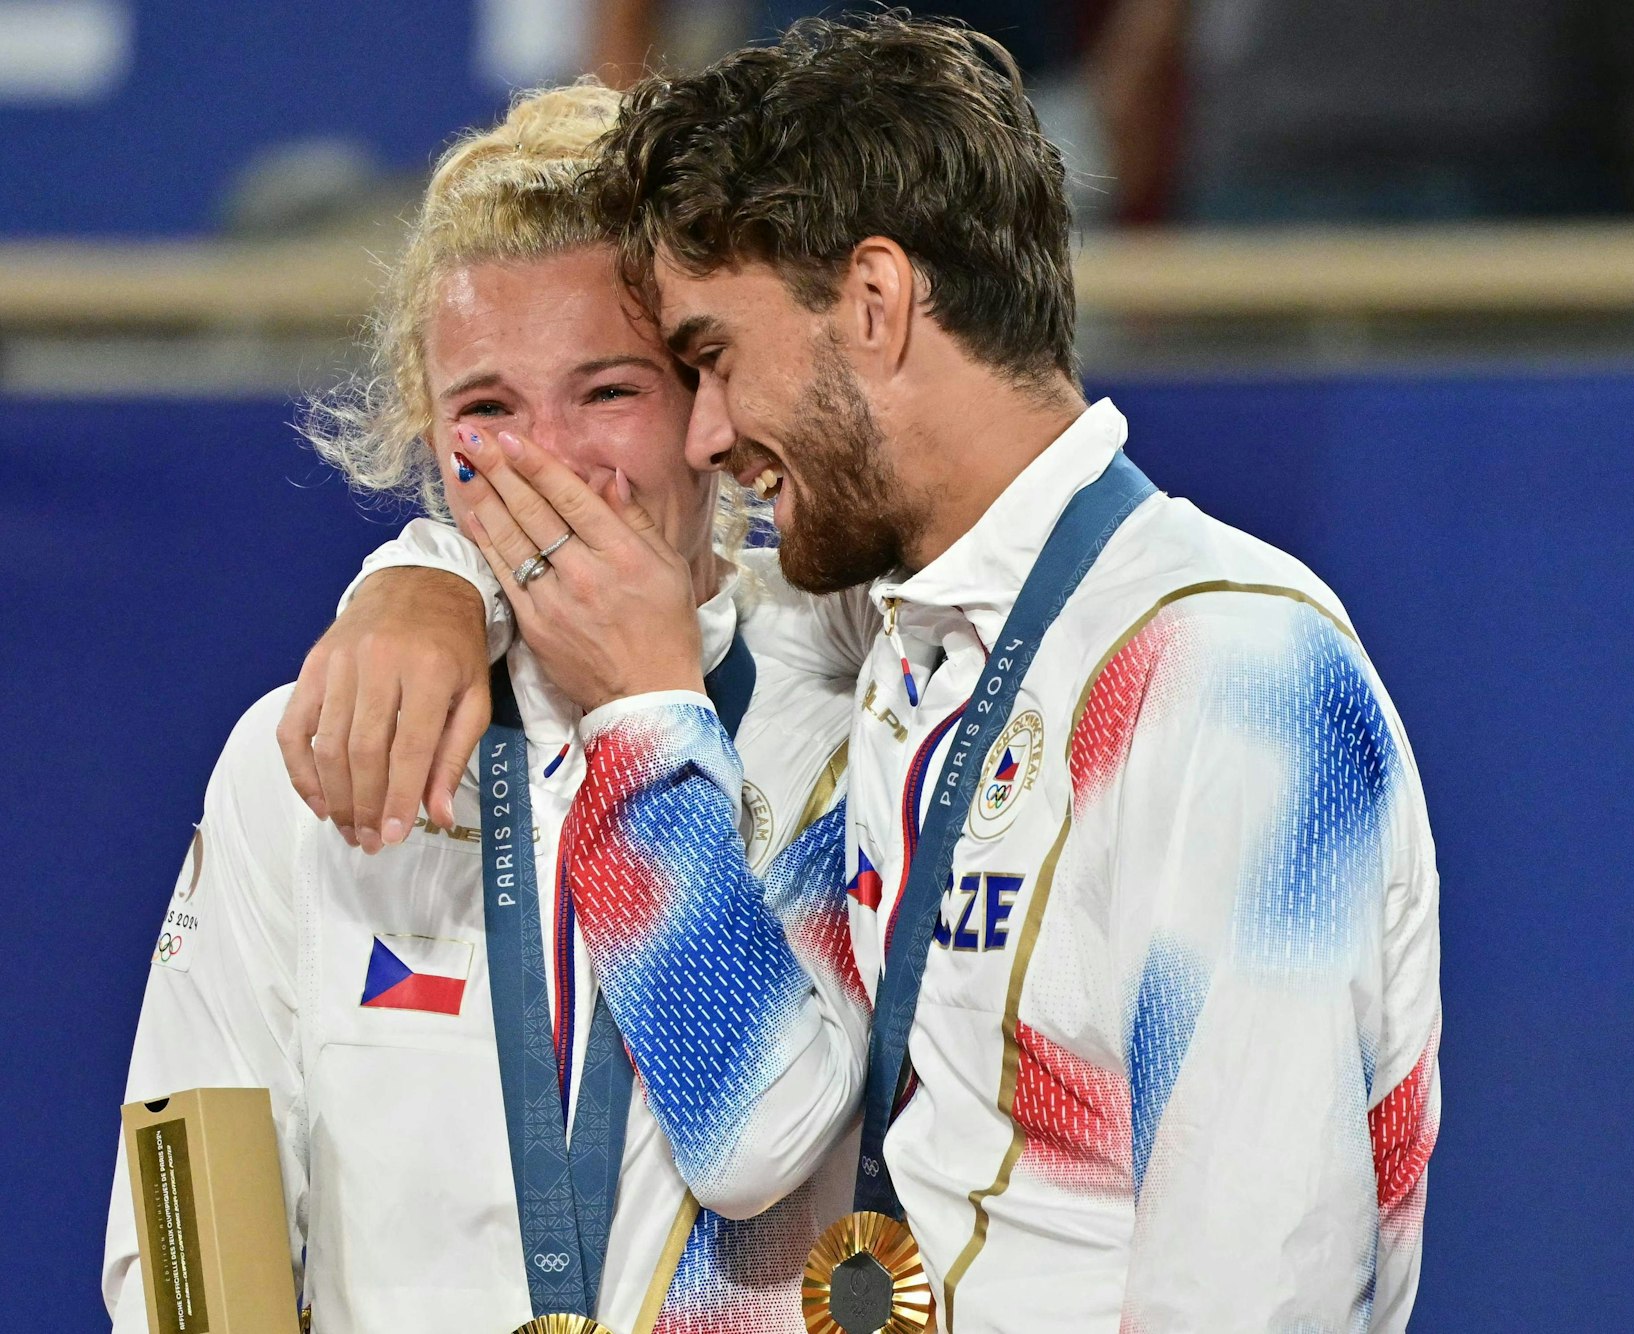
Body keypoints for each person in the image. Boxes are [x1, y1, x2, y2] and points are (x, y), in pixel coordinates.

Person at [293, 14, 1443, 1330]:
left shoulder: (1221, 668)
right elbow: (625, 555)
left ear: (878, 304)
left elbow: (1256, 1287)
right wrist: (427, 573)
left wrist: (611, 688)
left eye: (714, 358)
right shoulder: (893, 632)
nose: (710, 433)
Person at [103, 81, 879, 1334]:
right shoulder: (305, 756)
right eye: (487, 411)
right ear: (427, 431)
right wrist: (431, 572)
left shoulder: (853, 720)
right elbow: (181, 1247)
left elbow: (757, 1133)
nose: (550, 464)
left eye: (610, 391)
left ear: (708, 405)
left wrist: (637, 701)